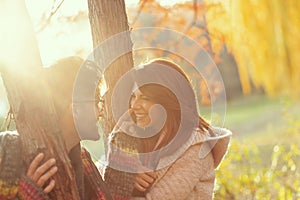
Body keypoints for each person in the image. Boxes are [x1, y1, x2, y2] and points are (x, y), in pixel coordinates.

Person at [102, 58, 232, 199]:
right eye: (134, 96)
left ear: (167, 100)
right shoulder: (141, 136)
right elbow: (99, 174)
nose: (134, 105)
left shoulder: (196, 149)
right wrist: (126, 171)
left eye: (145, 98)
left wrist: (122, 176)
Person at [0, 56, 113, 200]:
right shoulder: (7, 153)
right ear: (76, 107)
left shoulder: (83, 163)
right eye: (97, 102)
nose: (101, 112)